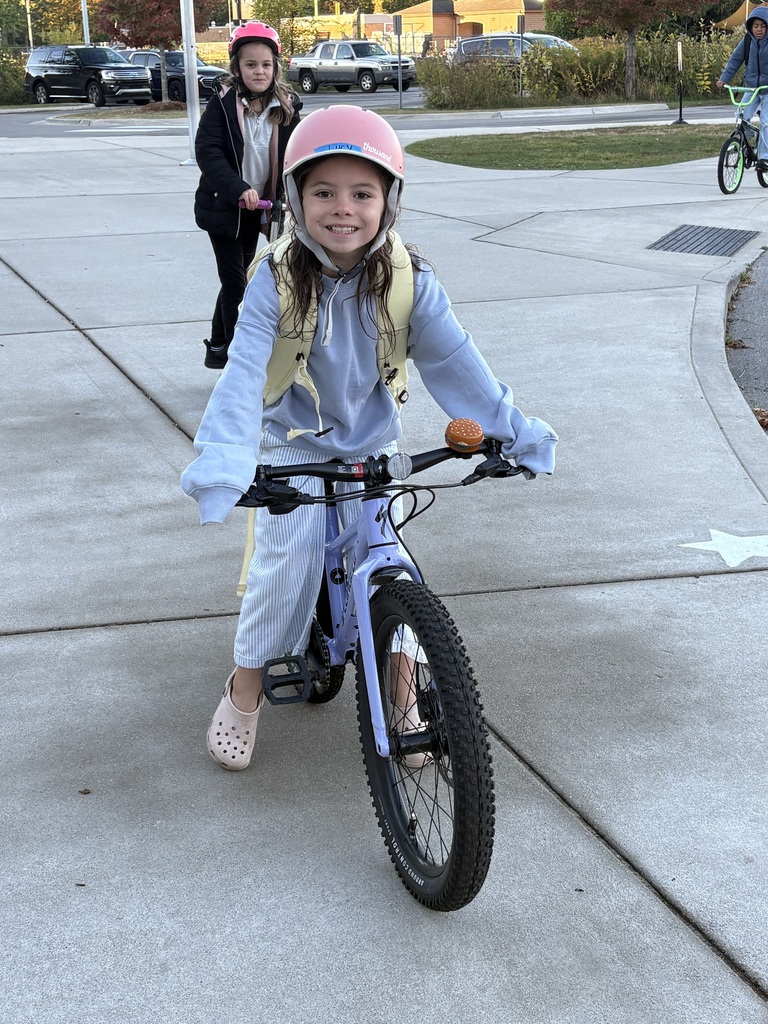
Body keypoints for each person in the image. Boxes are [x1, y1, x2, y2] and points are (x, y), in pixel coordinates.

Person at [181, 105, 558, 771]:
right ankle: (245, 690)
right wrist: (227, 462)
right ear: (296, 197)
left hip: (373, 443)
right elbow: (242, 376)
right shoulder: (274, 277)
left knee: (395, 563)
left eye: (363, 193)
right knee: (285, 571)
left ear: (389, 201)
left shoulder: (410, 279)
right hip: (294, 443)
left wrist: (512, 434)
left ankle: (403, 685)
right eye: (323, 192)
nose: (342, 209)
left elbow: (455, 363)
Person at [194, 21, 301, 370]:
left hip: (261, 209)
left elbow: (298, 154)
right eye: (250, 64)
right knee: (236, 281)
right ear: (237, 68)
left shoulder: (286, 109)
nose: (259, 71)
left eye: (266, 64)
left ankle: (218, 347)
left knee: (238, 277)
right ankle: (240, 362)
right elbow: (208, 154)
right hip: (224, 207)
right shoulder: (222, 106)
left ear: (276, 67)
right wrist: (238, 189)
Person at [717, 8, 768, 170]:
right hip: (751, 88)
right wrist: (724, 79)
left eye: (762, 26)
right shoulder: (747, 41)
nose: (759, 30)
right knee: (741, 116)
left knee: (766, 123)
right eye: (755, 26)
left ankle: (764, 158)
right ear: (750, 28)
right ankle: (747, 141)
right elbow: (735, 60)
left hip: (767, 89)